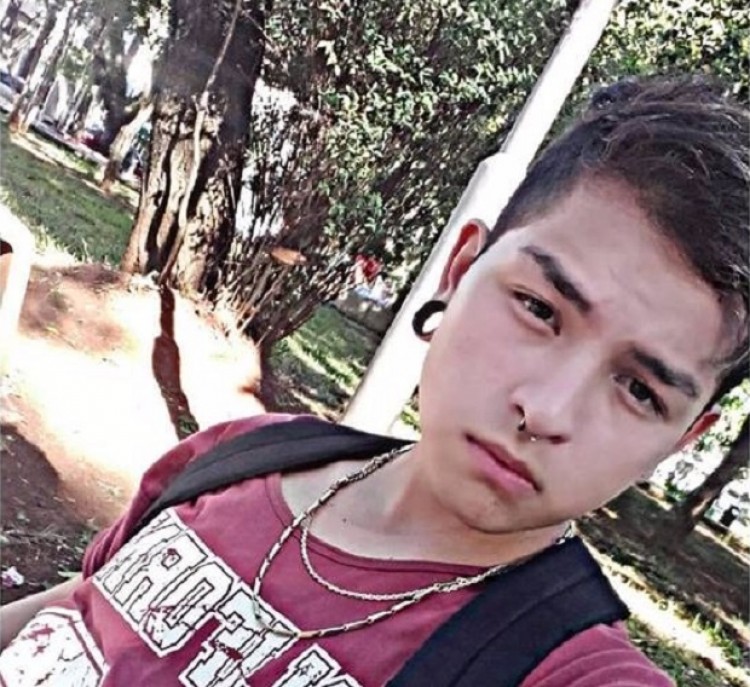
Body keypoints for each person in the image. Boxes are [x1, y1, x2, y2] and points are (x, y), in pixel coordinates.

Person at [1, 74, 747, 686]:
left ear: (682, 439)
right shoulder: (243, 454)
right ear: (459, 270)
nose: (547, 410)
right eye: (539, 309)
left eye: (640, 390)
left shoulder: (563, 671)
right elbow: (84, 606)